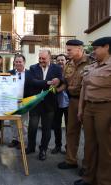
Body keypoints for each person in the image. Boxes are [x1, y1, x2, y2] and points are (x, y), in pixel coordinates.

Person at [74, 37, 111, 185]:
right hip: (89, 107)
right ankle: (89, 178)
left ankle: (104, 180)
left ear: (107, 47)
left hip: (106, 108)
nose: (93, 52)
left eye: (96, 48)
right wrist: (80, 108)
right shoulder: (92, 66)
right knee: (89, 144)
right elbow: (84, 87)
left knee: (105, 146)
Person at [58, 40, 93, 175]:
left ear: (79, 49)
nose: (67, 52)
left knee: (90, 135)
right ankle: (71, 160)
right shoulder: (68, 64)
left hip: (88, 101)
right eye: (67, 50)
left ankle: (87, 165)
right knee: (71, 131)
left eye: (69, 50)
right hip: (73, 101)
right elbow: (65, 82)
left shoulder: (92, 61)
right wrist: (57, 86)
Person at [25, 49, 62, 161]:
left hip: (49, 103)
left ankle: (43, 150)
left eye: (43, 58)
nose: (41, 60)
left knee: (46, 129)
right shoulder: (33, 68)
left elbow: (61, 80)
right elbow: (33, 82)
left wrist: (58, 81)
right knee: (32, 127)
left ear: (49, 58)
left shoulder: (57, 68)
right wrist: (48, 82)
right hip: (35, 103)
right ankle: (31, 147)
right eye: (40, 58)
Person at [8, 53, 30, 149]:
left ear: (24, 62)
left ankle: (23, 141)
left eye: (20, 61)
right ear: (14, 63)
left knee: (23, 123)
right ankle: (15, 139)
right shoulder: (10, 73)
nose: (18, 63)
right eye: (16, 62)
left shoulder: (29, 73)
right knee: (12, 122)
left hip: (24, 102)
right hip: (12, 102)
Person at [51, 54, 69, 154]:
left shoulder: (70, 71)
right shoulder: (54, 73)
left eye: (62, 60)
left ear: (66, 61)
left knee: (69, 127)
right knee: (57, 126)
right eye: (58, 60)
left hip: (69, 103)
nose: (60, 62)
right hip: (57, 103)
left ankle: (68, 147)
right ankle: (58, 146)